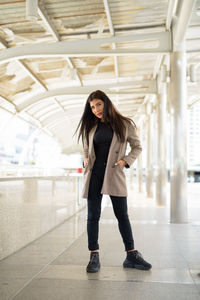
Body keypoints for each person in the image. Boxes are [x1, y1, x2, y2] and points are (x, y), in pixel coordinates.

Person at [75, 90, 152, 273]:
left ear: (106, 103)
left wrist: (126, 160)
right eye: (92, 107)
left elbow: (137, 146)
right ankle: (94, 255)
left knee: (122, 216)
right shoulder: (91, 126)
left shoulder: (125, 124)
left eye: (98, 105)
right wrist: (85, 158)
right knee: (93, 216)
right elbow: (86, 147)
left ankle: (131, 255)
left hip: (114, 172)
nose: (95, 110)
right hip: (94, 175)